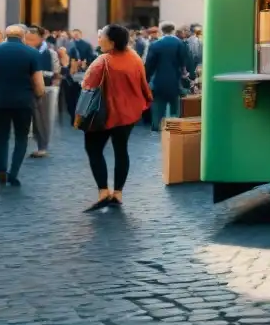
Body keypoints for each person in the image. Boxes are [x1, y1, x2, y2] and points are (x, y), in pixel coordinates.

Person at [81, 24, 153, 211]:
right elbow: (143, 84)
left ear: (111, 42)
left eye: (101, 37)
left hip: (103, 114)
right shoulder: (135, 58)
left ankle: (104, 191)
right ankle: (118, 193)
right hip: (128, 113)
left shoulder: (102, 61)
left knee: (94, 149)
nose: (99, 40)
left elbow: (87, 85)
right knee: (121, 150)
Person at [0, 24, 45, 186]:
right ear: (23, 36)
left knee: (1, 137)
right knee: (21, 138)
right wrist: (38, 96)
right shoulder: (32, 53)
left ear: (6, 35)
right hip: (23, 102)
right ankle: (13, 173)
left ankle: (1, 171)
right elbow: (39, 84)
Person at [144, 22, 191, 131]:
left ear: (161, 30)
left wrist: (146, 79)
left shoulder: (155, 45)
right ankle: (174, 127)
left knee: (157, 107)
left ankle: (157, 126)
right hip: (175, 81)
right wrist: (185, 74)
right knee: (175, 107)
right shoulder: (180, 44)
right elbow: (184, 63)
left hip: (158, 82)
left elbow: (149, 65)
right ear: (173, 30)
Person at [26, 26, 60, 158]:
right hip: (27, 88)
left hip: (45, 88)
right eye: (27, 39)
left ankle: (42, 146)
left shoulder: (50, 53)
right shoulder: (25, 51)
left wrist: (40, 75)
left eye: (32, 39)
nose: (29, 42)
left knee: (42, 118)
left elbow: (56, 72)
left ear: (41, 38)